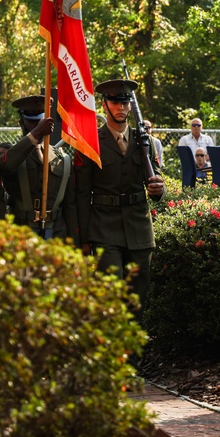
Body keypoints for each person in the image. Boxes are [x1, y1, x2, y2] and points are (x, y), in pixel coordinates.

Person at [75, 79, 165, 306]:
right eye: (115, 103)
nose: (121, 108)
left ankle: (134, 342)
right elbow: (82, 194)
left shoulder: (143, 141)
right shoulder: (91, 141)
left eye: (125, 103)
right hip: (105, 227)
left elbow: (153, 186)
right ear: (105, 105)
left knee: (137, 298)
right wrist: (84, 239)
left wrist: (159, 189)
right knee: (112, 297)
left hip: (138, 228)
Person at [0, 94, 78, 239]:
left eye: (41, 121)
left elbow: (69, 206)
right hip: (21, 230)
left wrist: (75, 242)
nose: (38, 125)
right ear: (21, 122)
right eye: (32, 122)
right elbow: (6, 165)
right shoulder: (9, 151)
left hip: (55, 232)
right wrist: (36, 133)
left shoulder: (61, 158)